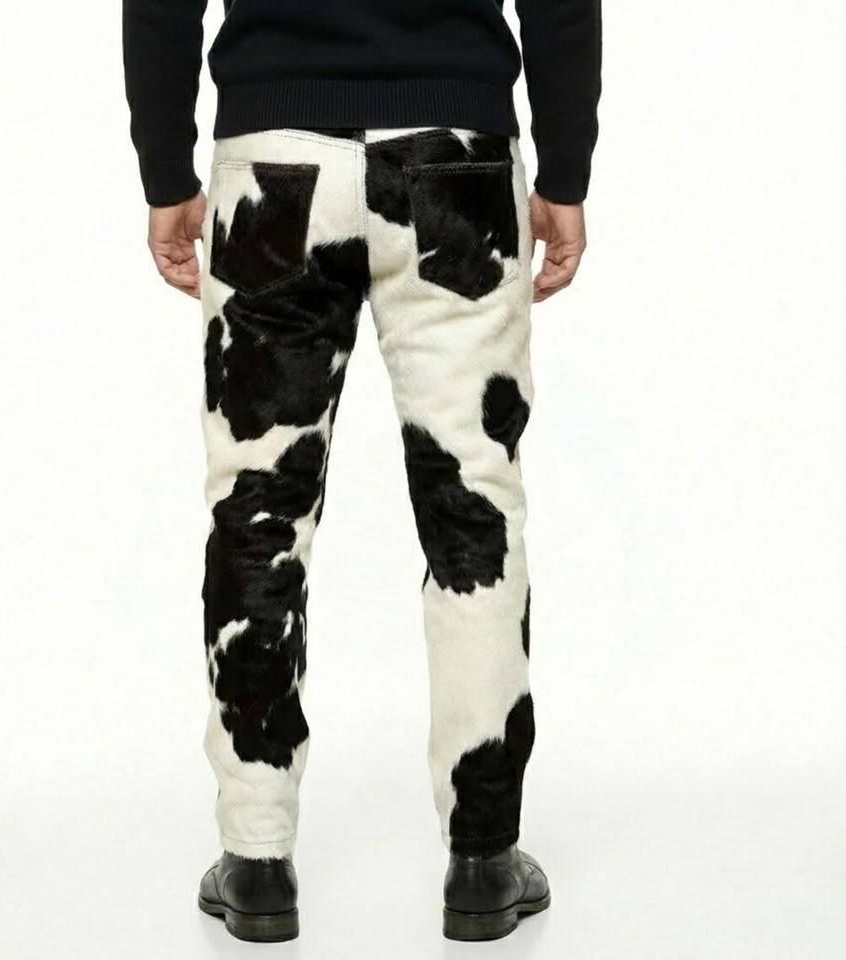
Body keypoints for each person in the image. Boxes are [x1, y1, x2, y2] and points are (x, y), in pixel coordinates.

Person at [123, 0, 601, 943]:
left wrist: (164, 170)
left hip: (272, 163)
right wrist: (567, 170)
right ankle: (484, 858)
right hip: (457, 160)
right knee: (473, 508)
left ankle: (256, 859)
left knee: (257, 513)